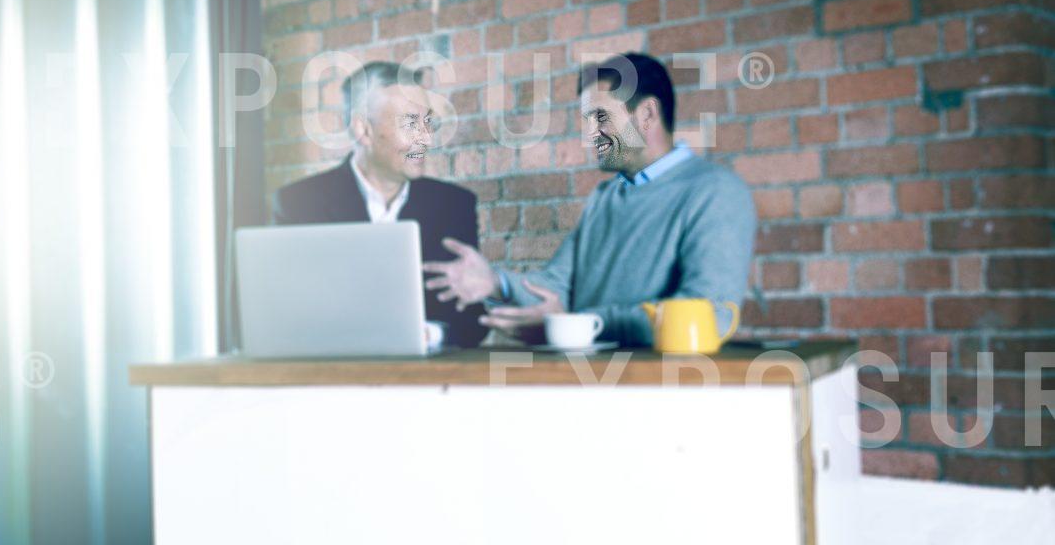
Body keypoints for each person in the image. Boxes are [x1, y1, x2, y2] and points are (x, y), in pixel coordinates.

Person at [423, 52, 755, 346]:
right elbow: (556, 288)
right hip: (591, 389)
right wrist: (496, 283)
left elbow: (709, 314)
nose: (588, 134)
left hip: (662, 395)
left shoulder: (716, 191)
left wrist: (581, 325)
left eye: (600, 117)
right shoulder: (606, 196)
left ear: (647, 115)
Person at [272, 61, 488, 347]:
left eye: (428, 123)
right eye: (411, 123)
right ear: (363, 130)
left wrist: (427, 335)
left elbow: (473, 322)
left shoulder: (453, 205)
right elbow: (281, 318)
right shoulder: (299, 205)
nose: (426, 138)